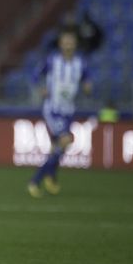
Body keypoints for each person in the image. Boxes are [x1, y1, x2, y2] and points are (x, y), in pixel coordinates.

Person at [28, 27, 92, 198]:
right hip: (53, 109)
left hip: (69, 110)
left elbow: (87, 78)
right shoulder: (52, 60)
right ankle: (35, 181)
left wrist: (87, 86)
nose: (68, 45)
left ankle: (51, 176)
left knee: (57, 148)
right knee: (66, 139)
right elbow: (35, 75)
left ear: (75, 44)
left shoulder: (81, 63)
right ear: (60, 44)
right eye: (65, 42)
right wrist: (41, 88)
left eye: (70, 42)